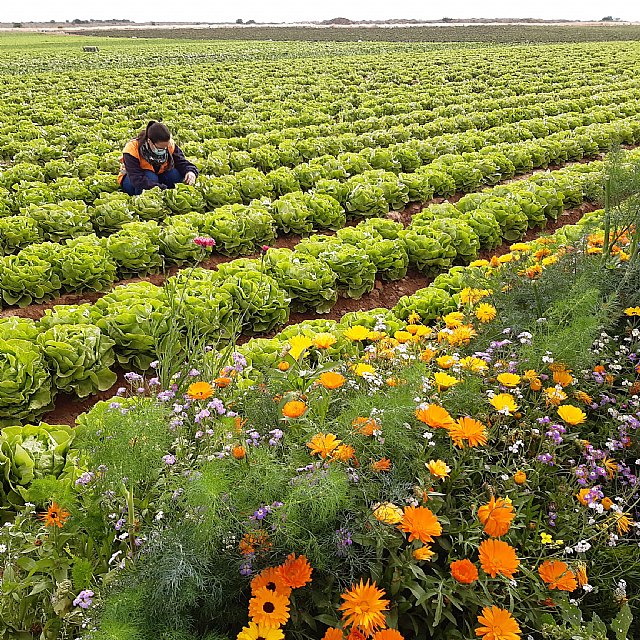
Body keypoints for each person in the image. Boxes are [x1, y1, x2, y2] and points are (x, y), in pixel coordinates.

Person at [118, 121, 198, 196]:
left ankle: (161, 192)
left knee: (175, 175)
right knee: (150, 177)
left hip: (158, 176)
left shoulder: (169, 144)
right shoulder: (132, 148)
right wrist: (161, 188)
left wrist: (190, 171)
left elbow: (181, 162)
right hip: (133, 180)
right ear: (150, 141)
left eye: (166, 147)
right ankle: (142, 196)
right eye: (160, 148)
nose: (164, 149)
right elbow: (137, 179)